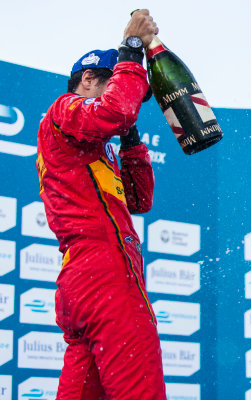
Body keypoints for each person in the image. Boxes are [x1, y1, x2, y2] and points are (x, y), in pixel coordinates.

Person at [35, 10, 166, 399]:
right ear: (89, 79)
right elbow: (116, 109)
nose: (129, 99)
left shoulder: (93, 148)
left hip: (85, 280)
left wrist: (130, 140)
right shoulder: (64, 110)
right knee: (140, 388)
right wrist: (131, 48)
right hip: (103, 271)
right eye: (116, 83)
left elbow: (140, 199)